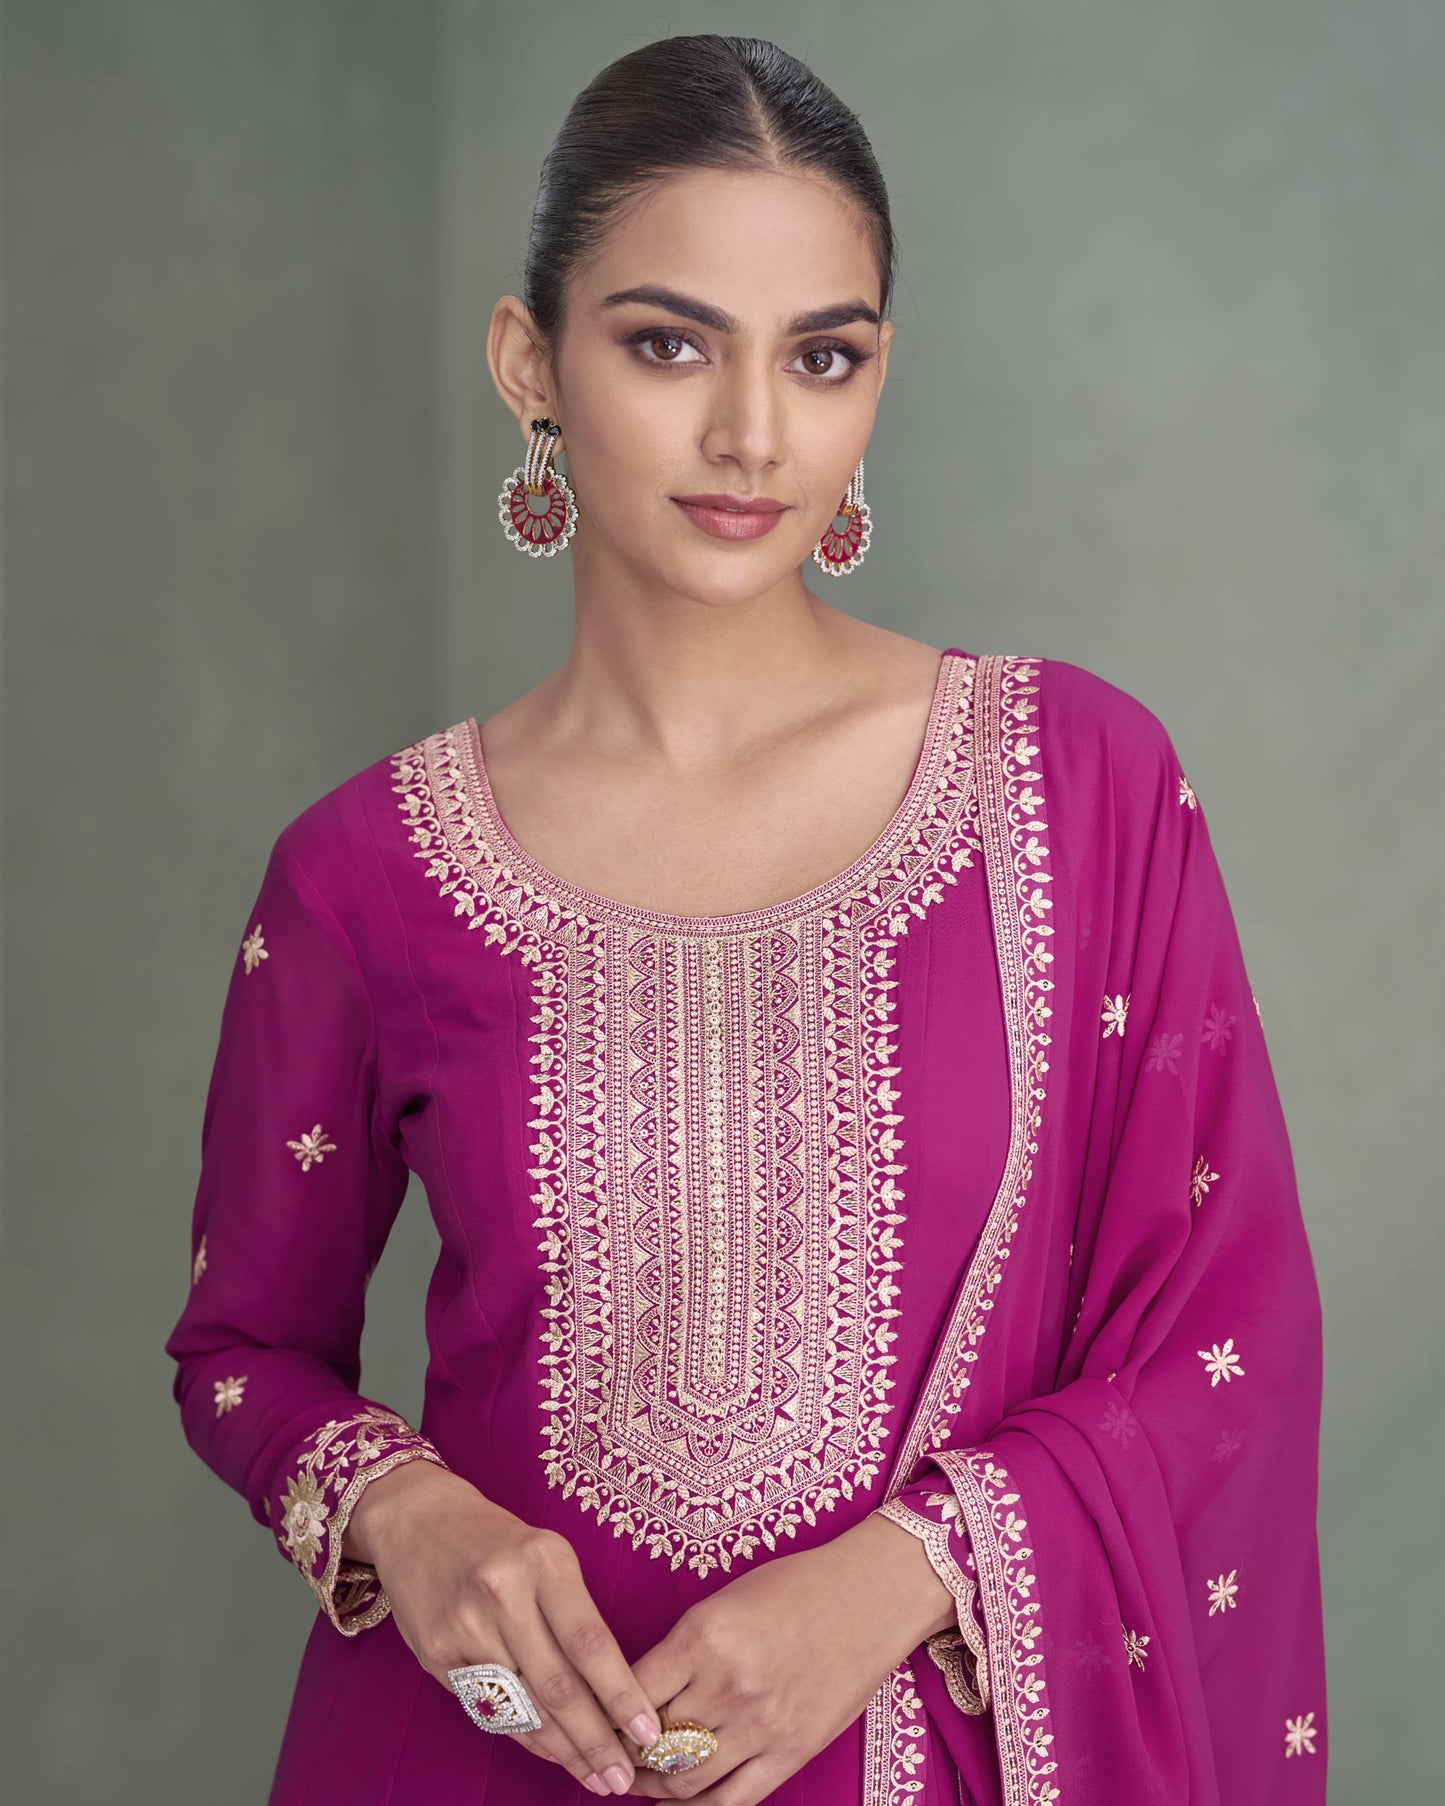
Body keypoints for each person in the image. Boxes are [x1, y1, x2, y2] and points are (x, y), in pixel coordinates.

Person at [163, 32, 1328, 1806]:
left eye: (820, 356)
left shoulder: (1075, 788)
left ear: (878, 376)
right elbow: (242, 1350)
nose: (750, 434)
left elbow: (1224, 1342)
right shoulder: (364, 871)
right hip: (485, 1756)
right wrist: (400, 1506)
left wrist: (908, 1568)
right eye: (666, 342)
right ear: (527, 360)